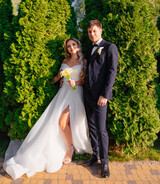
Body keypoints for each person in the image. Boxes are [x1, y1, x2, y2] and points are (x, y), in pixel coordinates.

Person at [3, 38, 92, 180]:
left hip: (76, 94)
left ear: (78, 45)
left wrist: (76, 82)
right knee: (62, 123)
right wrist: (50, 82)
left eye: (73, 45)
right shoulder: (64, 62)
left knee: (62, 122)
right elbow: (57, 77)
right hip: (63, 94)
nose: (71, 48)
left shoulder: (84, 62)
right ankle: (69, 146)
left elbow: (87, 80)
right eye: (68, 46)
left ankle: (70, 149)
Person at [83, 20, 118, 178]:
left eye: (95, 31)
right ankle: (95, 155)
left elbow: (112, 71)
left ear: (100, 31)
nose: (92, 34)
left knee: (101, 129)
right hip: (88, 95)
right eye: (90, 32)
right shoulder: (90, 49)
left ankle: (104, 162)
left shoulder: (110, 47)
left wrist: (105, 94)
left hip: (100, 97)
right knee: (92, 127)